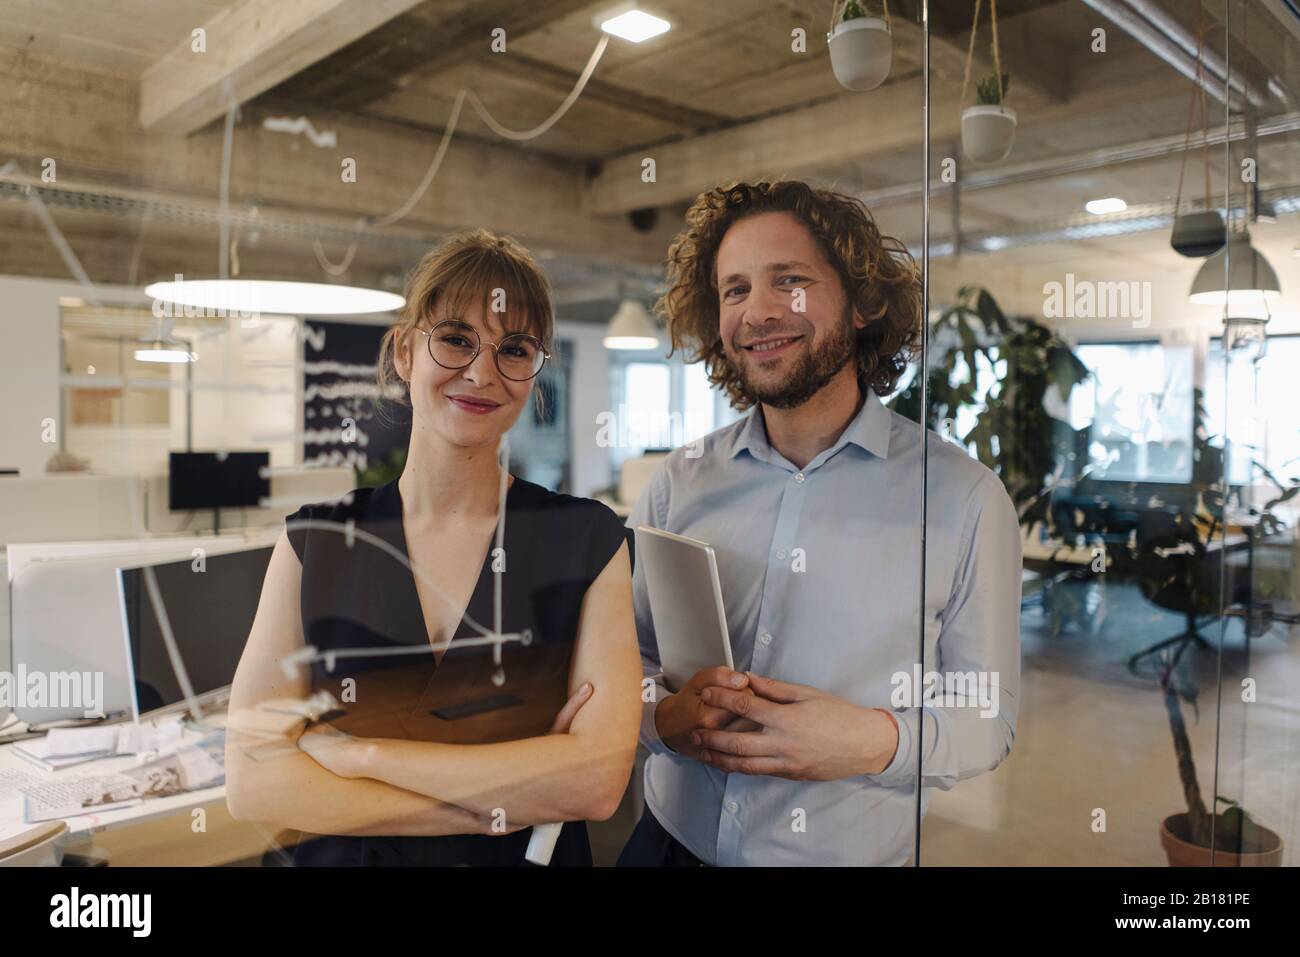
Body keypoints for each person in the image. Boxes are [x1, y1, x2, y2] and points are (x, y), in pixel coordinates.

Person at [617, 181, 1023, 867]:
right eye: (735, 289)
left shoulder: (963, 500)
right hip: (665, 844)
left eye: (791, 281)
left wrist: (869, 739)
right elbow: (620, 660)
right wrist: (661, 717)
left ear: (863, 302)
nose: (759, 311)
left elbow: (987, 717)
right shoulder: (678, 483)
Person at [226, 229, 642, 866]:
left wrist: (363, 755)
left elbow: (596, 782)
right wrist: (503, 801)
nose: (481, 373)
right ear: (403, 351)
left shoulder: (586, 539)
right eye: (455, 339)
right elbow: (254, 781)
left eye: (515, 349)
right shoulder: (314, 544)